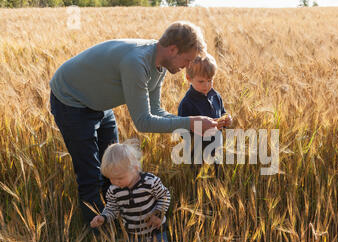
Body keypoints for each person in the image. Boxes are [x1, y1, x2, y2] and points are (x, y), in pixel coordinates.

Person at [49, 21, 217, 229]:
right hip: (71, 100)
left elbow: (156, 111)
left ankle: (118, 223)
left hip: (99, 103)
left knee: (116, 168)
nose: (187, 67)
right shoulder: (136, 63)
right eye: (187, 59)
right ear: (173, 50)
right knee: (91, 175)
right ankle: (99, 237)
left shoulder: (160, 65)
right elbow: (143, 122)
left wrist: (192, 125)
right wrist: (191, 123)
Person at [90, 139, 170, 242]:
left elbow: (164, 196)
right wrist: (103, 217)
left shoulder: (150, 182)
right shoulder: (113, 190)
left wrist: (158, 214)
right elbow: (112, 209)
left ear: (136, 168)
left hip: (156, 231)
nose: (116, 182)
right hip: (134, 236)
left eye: (120, 178)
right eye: (111, 179)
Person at [177, 53, 232, 175]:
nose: (206, 85)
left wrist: (227, 119)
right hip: (197, 155)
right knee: (198, 184)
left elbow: (222, 112)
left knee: (217, 180)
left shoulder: (216, 96)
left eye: (210, 80)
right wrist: (203, 128)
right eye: (201, 81)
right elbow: (182, 131)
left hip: (216, 150)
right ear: (188, 78)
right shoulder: (187, 103)